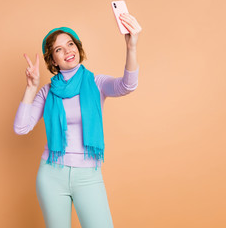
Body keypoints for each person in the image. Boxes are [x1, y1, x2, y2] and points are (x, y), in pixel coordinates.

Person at [13, 13, 142, 228]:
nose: (67, 51)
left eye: (70, 44)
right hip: (51, 175)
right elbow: (21, 128)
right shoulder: (47, 92)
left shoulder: (96, 83)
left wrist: (131, 48)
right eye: (58, 49)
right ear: (53, 60)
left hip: (88, 176)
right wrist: (31, 87)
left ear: (78, 47)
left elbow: (127, 86)